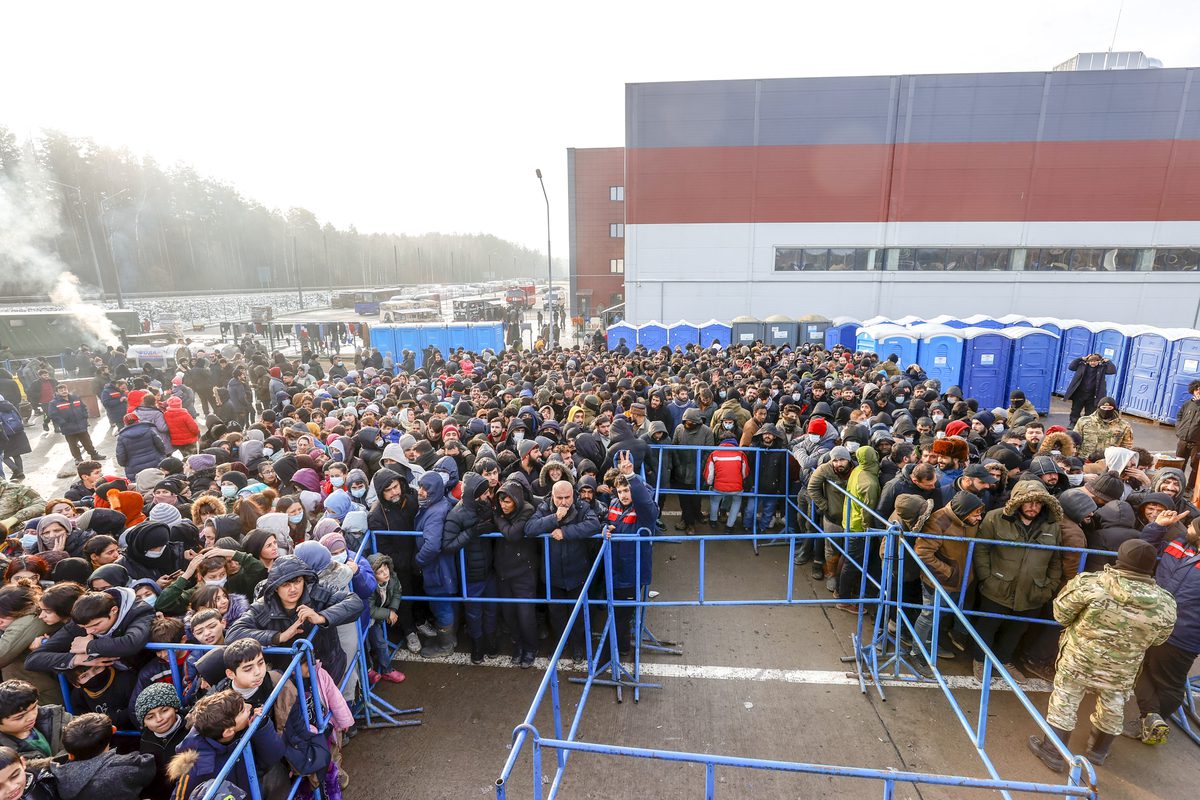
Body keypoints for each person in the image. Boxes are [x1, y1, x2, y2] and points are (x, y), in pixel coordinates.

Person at [1027, 539, 1176, 772]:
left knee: (1065, 700)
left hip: (1079, 660)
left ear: (1120, 559)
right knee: (1114, 704)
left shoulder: (1092, 585)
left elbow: (1061, 613)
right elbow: (1159, 639)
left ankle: (1053, 752)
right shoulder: (1165, 602)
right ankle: (1098, 752)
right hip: (1123, 668)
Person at [971, 480, 1063, 683]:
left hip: (1034, 591)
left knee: (1017, 630)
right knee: (988, 625)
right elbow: (981, 549)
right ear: (1017, 502)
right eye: (1028, 502)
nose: (1033, 507)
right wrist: (987, 577)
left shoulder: (1053, 526)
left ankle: (1004, 660)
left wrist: (1049, 587)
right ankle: (980, 659)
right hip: (997, 587)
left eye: (1038, 503)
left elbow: (1056, 559)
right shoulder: (995, 518)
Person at [1130, 508, 1200, 745]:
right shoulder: (1180, 544)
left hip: (1184, 635)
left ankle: (1153, 720)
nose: (1187, 528)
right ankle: (1151, 719)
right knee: (1138, 667)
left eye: (1192, 526)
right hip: (1152, 622)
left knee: (1169, 682)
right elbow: (1141, 549)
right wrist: (1158, 526)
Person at [525, 479, 601, 660]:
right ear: (552, 496)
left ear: (573, 495)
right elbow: (529, 528)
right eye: (559, 498)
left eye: (567, 497)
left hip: (577, 571)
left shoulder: (582, 507)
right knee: (556, 614)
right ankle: (559, 644)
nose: (564, 502)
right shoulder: (544, 508)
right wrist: (554, 518)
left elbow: (594, 524)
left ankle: (577, 646)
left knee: (578, 613)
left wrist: (566, 533)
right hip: (553, 574)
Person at [46, 711, 156, 800]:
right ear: (113, 730)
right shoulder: (127, 767)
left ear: (70, 754)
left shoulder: (56, 774)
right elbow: (149, 768)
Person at [0, 679, 68, 759]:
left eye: (34, 708)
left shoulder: (55, 716)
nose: (31, 717)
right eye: (20, 717)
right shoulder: (3, 754)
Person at [47, 383, 103, 463]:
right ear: (57, 392)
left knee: (87, 442)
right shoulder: (54, 403)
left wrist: (84, 416)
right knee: (73, 445)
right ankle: (78, 458)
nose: (64, 391)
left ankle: (94, 455)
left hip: (81, 425)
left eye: (65, 389)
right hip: (68, 428)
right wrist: (63, 422)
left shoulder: (75, 398)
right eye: (61, 390)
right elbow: (53, 415)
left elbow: (83, 407)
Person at [1064, 354, 1116, 428]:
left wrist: (1109, 362)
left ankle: (1086, 425)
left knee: (1090, 411)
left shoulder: (1102, 368)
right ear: (1088, 361)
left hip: (1093, 394)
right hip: (1080, 393)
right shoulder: (1082, 365)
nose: (1093, 363)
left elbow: (1112, 371)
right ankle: (1073, 423)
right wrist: (1080, 359)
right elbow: (1071, 367)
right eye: (1091, 361)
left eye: (1095, 361)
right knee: (1075, 409)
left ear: (1099, 361)